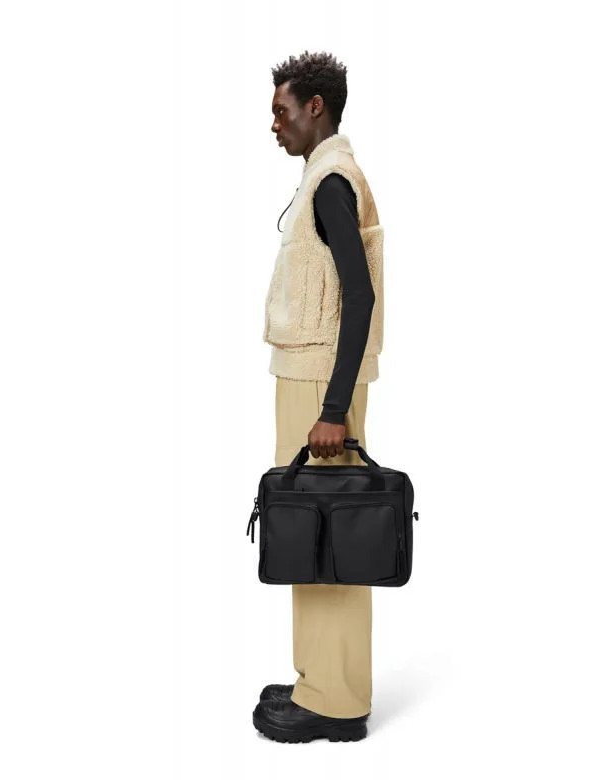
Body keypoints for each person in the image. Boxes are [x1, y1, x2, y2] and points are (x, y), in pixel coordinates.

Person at [252, 50, 385, 743]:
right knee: (319, 531)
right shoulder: (325, 177)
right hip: (314, 379)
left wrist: (332, 411)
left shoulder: (332, 182)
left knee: (323, 530)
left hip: (318, 385)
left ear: (316, 107)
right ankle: (323, 680)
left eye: (282, 111)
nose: (274, 124)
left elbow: (358, 297)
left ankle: (332, 703)